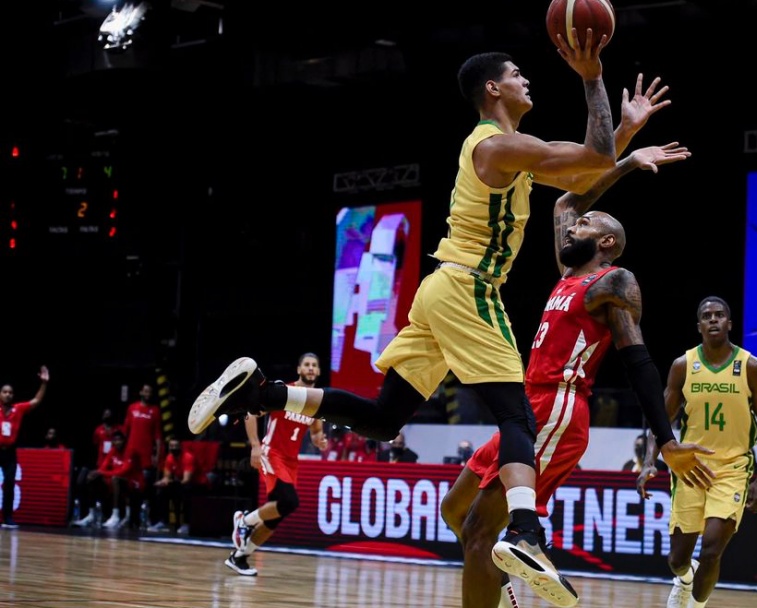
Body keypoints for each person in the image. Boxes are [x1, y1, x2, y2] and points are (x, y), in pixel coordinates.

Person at [189, 33, 708, 603]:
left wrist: (624, 135)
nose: (526, 78)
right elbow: (593, 158)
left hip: (441, 289)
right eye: (517, 73)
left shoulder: (512, 153)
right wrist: (592, 75)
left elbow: (584, 178)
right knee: (517, 416)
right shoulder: (497, 144)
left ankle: (262, 393)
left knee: (385, 418)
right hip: (468, 287)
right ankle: (528, 533)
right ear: (494, 88)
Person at [440, 78, 710, 606]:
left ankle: (517, 564)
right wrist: (628, 154)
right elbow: (568, 197)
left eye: (587, 224)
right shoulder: (566, 276)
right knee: (456, 510)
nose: (573, 223)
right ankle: (512, 574)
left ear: (605, 242)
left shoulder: (613, 282)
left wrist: (666, 437)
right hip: (528, 404)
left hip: (559, 407)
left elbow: (639, 363)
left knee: (477, 531)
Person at [637, 296, 757, 608]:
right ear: (699, 325)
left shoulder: (751, 367)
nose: (713, 320)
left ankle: (697, 604)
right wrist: (650, 461)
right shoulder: (683, 366)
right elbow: (662, 421)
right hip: (690, 467)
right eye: (707, 316)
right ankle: (685, 579)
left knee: (712, 549)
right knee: (677, 560)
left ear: (729, 323)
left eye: (719, 315)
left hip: (732, 468)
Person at [226, 353, 328, 576]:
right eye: (307, 365)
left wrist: (319, 440)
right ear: (299, 369)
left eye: (314, 365)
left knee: (279, 512)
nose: (311, 369)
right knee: (289, 501)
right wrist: (254, 445)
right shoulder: (285, 393)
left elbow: (316, 431)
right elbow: (250, 413)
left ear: (318, 372)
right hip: (272, 454)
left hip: (291, 463)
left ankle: (239, 557)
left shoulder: (317, 403)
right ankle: (244, 520)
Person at [0, 365, 49, 528]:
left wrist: (44, 384)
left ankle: (7, 518)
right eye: (5, 392)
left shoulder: (18, 409)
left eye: (10, 392)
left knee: (9, 484)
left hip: (10, 453)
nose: (8, 395)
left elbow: (36, 401)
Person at [150, 437, 209, 533]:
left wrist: (172, 482)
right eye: (171, 446)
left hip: (197, 483)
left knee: (184, 493)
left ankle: (186, 523)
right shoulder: (169, 457)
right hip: (180, 483)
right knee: (161, 492)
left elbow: (187, 479)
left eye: (176, 446)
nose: (173, 448)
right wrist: (162, 482)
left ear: (180, 447)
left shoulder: (188, 457)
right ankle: (163, 522)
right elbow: (167, 477)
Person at [122, 383, 163, 493]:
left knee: (144, 483)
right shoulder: (132, 408)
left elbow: (158, 434)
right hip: (130, 452)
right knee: (128, 481)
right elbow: (125, 431)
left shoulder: (155, 410)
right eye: (145, 391)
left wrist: (157, 455)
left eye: (150, 392)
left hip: (146, 454)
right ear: (141, 392)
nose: (147, 394)